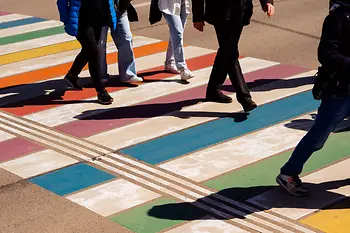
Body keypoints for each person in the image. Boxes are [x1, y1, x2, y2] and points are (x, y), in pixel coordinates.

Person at [277, 0, 350, 196]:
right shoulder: (337, 18)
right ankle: (288, 173)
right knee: (319, 136)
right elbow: (326, 54)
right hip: (340, 90)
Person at [192, 0, 274, 112]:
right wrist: (198, 16)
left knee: (226, 51)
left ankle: (213, 89)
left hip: (241, 10)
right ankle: (244, 97)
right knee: (230, 51)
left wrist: (267, 2)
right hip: (220, 11)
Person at [57, 0, 117, 105]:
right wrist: (66, 20)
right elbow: (61, 2)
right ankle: (101, 90)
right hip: (81, 20)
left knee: (88, 50)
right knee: (94, 52)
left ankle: (72, 75)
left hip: (99, 17)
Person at [158, 0, 195, 80]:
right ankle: (183, 69)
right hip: (169, 4)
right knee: (177, 32)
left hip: (184, 3)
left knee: (177, 34)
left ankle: (169, 62)